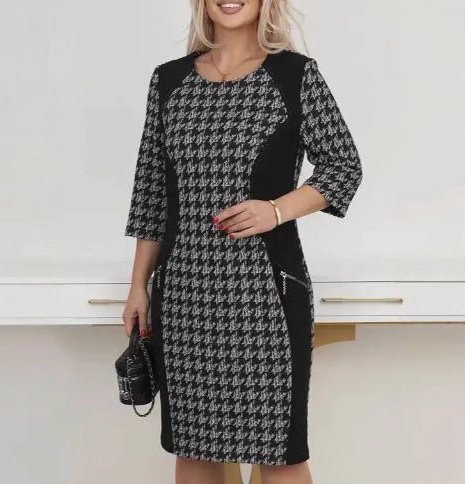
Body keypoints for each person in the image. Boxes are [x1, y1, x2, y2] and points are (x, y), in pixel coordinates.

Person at [123, 0, 363, 482]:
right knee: (194, 448)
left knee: (279, 454)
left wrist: (276, 210)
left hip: (266, 295)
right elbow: (152, 194)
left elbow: (343, 166)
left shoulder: (295, 75)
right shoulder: (168, 81)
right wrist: (138, 286)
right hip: (185, 298)